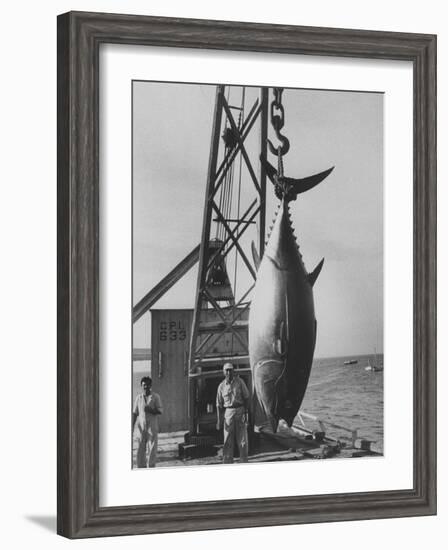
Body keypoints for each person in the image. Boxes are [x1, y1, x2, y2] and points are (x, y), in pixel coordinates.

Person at [216, 362, 250, 464]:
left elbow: (247, 397)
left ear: (233, 371)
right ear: (223, 372)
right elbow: (218, 404)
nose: (229, 372)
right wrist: (219, 420)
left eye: (230, 370)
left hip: (240, 411)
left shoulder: (240, 382)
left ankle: (244, 462)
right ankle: (227, 463)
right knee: (227, 441)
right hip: (228, 413)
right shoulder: (221, 386)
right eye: (226, 370)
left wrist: (246, 413)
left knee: (243, 441)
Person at [132, 376, 163, 468]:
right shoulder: (138, 398)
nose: (146, 387)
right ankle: (141, 468)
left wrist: (151, 410)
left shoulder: (156, 397)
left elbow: (160, 411)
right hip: (140, 428)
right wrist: (131, 427)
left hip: (152, 427)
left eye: (148, 385)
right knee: (140, 450)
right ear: (141, 386)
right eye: (144, 385)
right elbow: (134, 413)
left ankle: (151, 468)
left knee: (152, 450)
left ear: (151, 385)